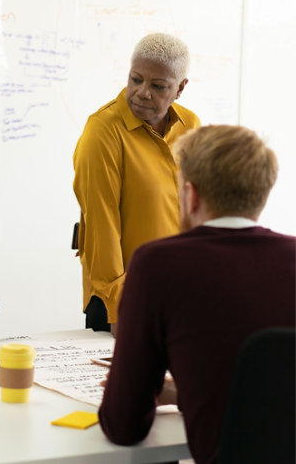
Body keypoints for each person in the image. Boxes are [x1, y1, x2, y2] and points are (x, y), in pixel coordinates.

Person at [98, 125, 295, 464]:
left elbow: (123, 424)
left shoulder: (159, 263)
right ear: (261, 195)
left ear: (190, 195)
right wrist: (187, 393)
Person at [73, 33, 201, 334]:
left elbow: (197, 212)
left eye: (158, 86)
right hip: (123, 300)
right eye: (136, 79)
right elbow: (102, 226)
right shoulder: (102, 131)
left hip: (177, 293)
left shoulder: (191, 126)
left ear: (180, 88)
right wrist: (120, 310)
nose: (142, 93)